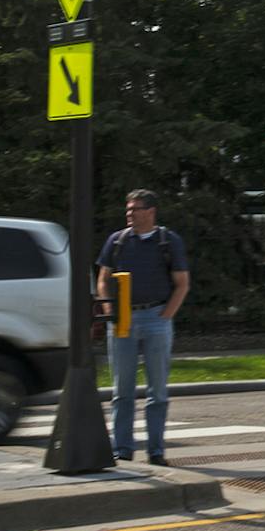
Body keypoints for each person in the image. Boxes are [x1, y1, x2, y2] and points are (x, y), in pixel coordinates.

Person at [94, 189, 190, 466]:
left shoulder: (168, 241)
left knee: (157, 390)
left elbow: (182, 283)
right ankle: (122, 449)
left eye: (135, 209)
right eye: (128, 209)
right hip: (123, 319)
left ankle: (156, 451)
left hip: (155, 317)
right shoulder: (118, 241)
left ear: (150, 212)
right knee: (122, 390)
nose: (129, 214)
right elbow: (103, 279)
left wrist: (165, 315)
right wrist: (110, 310)